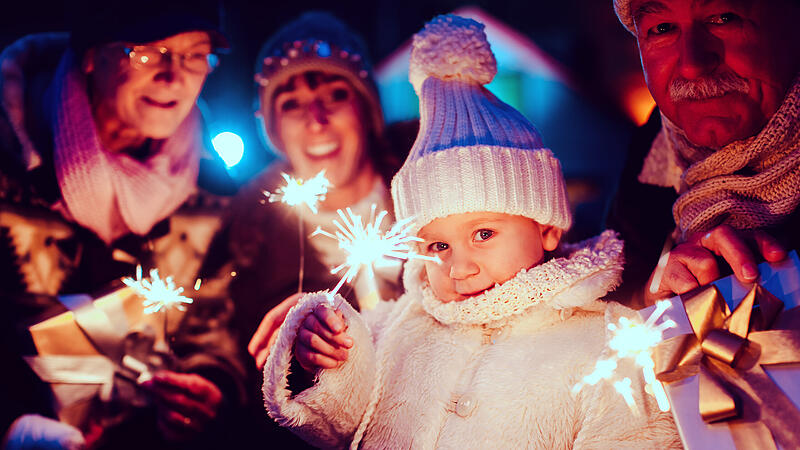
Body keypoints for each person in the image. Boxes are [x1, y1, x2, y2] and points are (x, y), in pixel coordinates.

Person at [261, 15, 680, 448]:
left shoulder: (608, 343)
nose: (459, 267)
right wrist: (333, 354)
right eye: (438, 244)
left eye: (483, 234)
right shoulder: (400, 326)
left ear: (547, 227)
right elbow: (340, 418)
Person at [0, 1, 245, 448]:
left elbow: (211, 325)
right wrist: (14, 427)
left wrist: (209, 389)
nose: (174, 77)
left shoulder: (210, 188)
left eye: (195, 55)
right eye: (149, 52)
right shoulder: (9, 162)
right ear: (93, 55)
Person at [210, 11, 406, 448]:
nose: (316, 118)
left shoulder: (430, 193)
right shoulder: (248, 233)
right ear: (273, 127)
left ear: (366, 109)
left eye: (336, 95)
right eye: (291, 103)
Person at [606, 0, 800, 307]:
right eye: (663, 28)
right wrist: (649, 297)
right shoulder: (653, 153)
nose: (692, 64)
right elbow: (619, 294)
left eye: (724, 18)